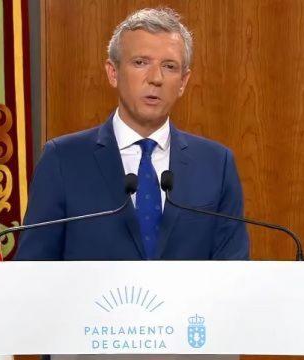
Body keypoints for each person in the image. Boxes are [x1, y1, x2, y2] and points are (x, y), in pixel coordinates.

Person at [14, 8, 249, 262]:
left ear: (183, 82)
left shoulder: (216, 164)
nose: (155, 78)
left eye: (169, 67)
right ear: (113, 73)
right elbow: (33, 270)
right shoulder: (62, 159)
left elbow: (233, 271)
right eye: (140, 63)